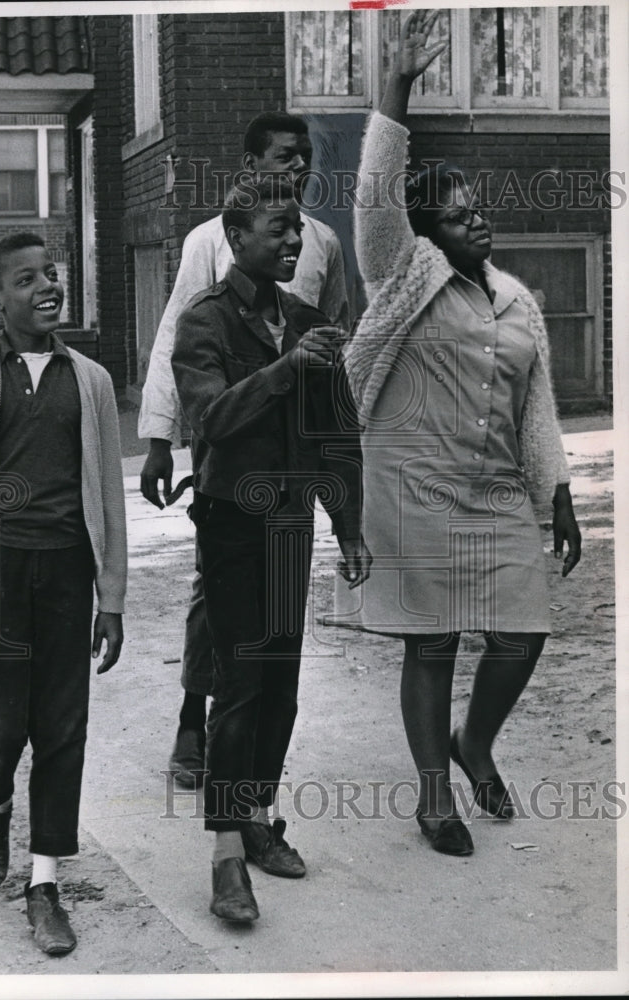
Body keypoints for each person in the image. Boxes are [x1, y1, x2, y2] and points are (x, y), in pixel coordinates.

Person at [339, 12, 582, 856]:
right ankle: (435, 795)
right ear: (423, 234)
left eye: (477, 213)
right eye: (455, 216)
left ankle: (474, 743)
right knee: (433, 642)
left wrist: (557, 491)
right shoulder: (401, 276)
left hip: (495, 491)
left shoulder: (516, 300)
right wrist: (397, 88)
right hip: (412, 490)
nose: (476, 224)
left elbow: (535, 408)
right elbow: (376, 194)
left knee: (522, 634)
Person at [171, 176, 370, 922]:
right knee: (242, 681)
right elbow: (211, 420)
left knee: (282, 681)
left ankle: (256, 815)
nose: (294, 241)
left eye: (298, 230)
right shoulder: (206, 324)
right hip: (229, 524)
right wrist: (286, 367)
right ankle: (226, 854)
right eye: (279, 229)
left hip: (291, 525)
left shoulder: (310, 319)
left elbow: (337, 437)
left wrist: (348, 526)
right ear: (237, 238)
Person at [138, 111, 350, 789]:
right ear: (253, 163)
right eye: (285, 157)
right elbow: (182, 336)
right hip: (230, 453)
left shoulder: (321, 243)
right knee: (220, 601)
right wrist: (159, 441)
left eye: (305, 158)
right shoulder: (211, 240)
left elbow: (334, 333)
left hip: (289, 463)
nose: (298, 168)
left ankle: (254, 792)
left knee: (278, 639)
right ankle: (191, 721)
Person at [0, 232, 127, 954]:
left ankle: (44, 885)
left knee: (63, 730)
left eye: (52, 274)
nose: (48, 286)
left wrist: (112, 598)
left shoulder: (95, 382)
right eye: (26, 279)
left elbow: (108, 495)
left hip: (68, 573)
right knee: (2, 727)